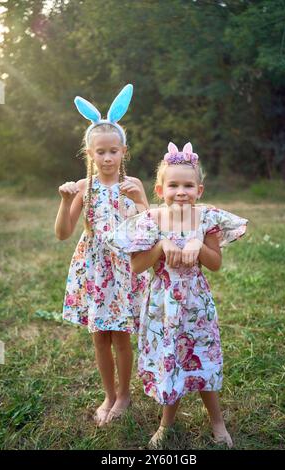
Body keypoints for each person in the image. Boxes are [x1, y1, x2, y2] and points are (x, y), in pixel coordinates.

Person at [107, 141, 249, 448]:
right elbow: (137, 265)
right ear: (160, 190)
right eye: (173, 185)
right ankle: (165, 424)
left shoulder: (206, 219)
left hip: (197, 306)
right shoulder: (151, 221)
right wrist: (161, 247)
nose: (180, 192)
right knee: (171, 361)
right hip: (163, 306)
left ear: (199, 190)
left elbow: (216, 265)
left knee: (203, 361)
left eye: (188, 185)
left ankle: (217, 421)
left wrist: (199, 248)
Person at [55, 84, 150, 427]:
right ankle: (108, 394)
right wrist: (66, 202)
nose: (107, 157)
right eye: (101, 152)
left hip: (124, 267)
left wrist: (141, 201)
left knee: (121, 336)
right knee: (99, 337)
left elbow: (149, 230)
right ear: (90, 153)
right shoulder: (84, 187)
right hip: (94, 267)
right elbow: (63, 233)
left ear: (124, 151)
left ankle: (125, 395)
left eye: (113, 151)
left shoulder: (132, 185)